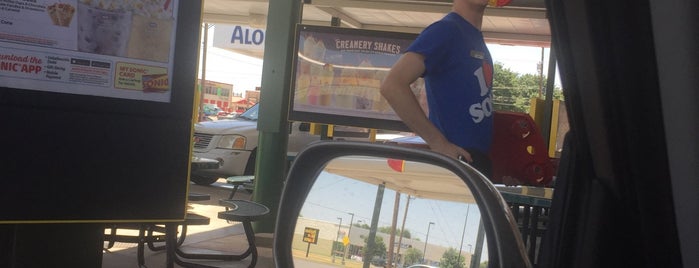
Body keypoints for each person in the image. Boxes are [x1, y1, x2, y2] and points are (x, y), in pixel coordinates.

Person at [380, 0, 495, 177]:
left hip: (476, 162)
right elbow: (392, 85)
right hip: (455, 163)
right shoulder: (446, 30)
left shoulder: (474, 37)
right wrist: (439, 143)